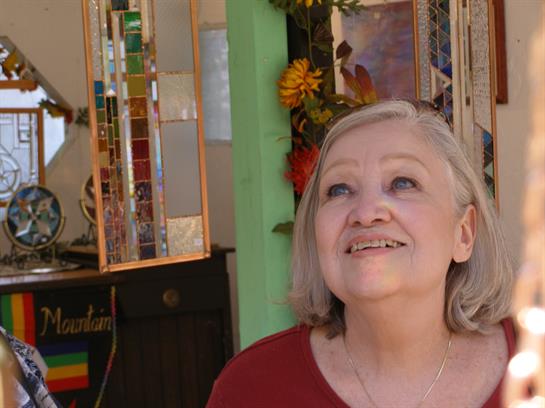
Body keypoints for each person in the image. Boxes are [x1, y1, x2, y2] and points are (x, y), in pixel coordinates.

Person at [207, 100, 514, 407]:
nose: (366, 213)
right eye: (339, 190)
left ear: (464, 233)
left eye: (402, 183)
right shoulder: (250, 388)